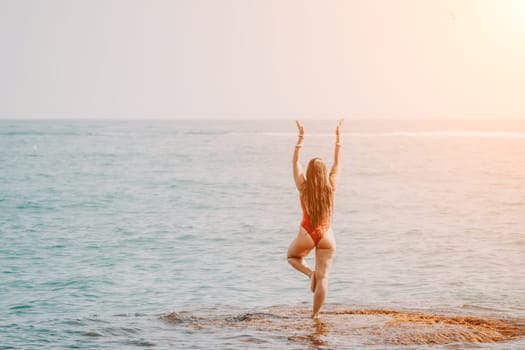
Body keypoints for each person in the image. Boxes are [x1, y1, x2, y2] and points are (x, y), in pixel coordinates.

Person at [287, 119, 343, 318]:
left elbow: (295, 163)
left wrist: (300, 138)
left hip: (307, 232)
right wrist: (338, 139)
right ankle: (315, 316)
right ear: (323, 172)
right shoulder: (331, 187)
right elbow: (337, 164)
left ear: (310, 172)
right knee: (325, 277)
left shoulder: (303, 187)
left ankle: (309, 273)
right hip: (327, 234)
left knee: (292, 257)